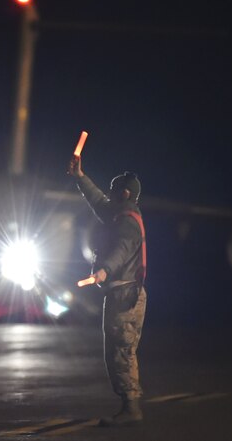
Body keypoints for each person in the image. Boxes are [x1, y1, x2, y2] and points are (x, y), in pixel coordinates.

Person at [68, 156, 147, 426]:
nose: (108, 194)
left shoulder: (126, 221)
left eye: (113, 190)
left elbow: (122, 250)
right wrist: (80, 176)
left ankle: (131, 408)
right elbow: (98, 201)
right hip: (123, 293)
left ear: (124, 194)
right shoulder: (120, 214)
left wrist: (104, 271)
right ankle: (129, 405)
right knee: (118, 351)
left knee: (120, 351)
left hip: (124, 294)